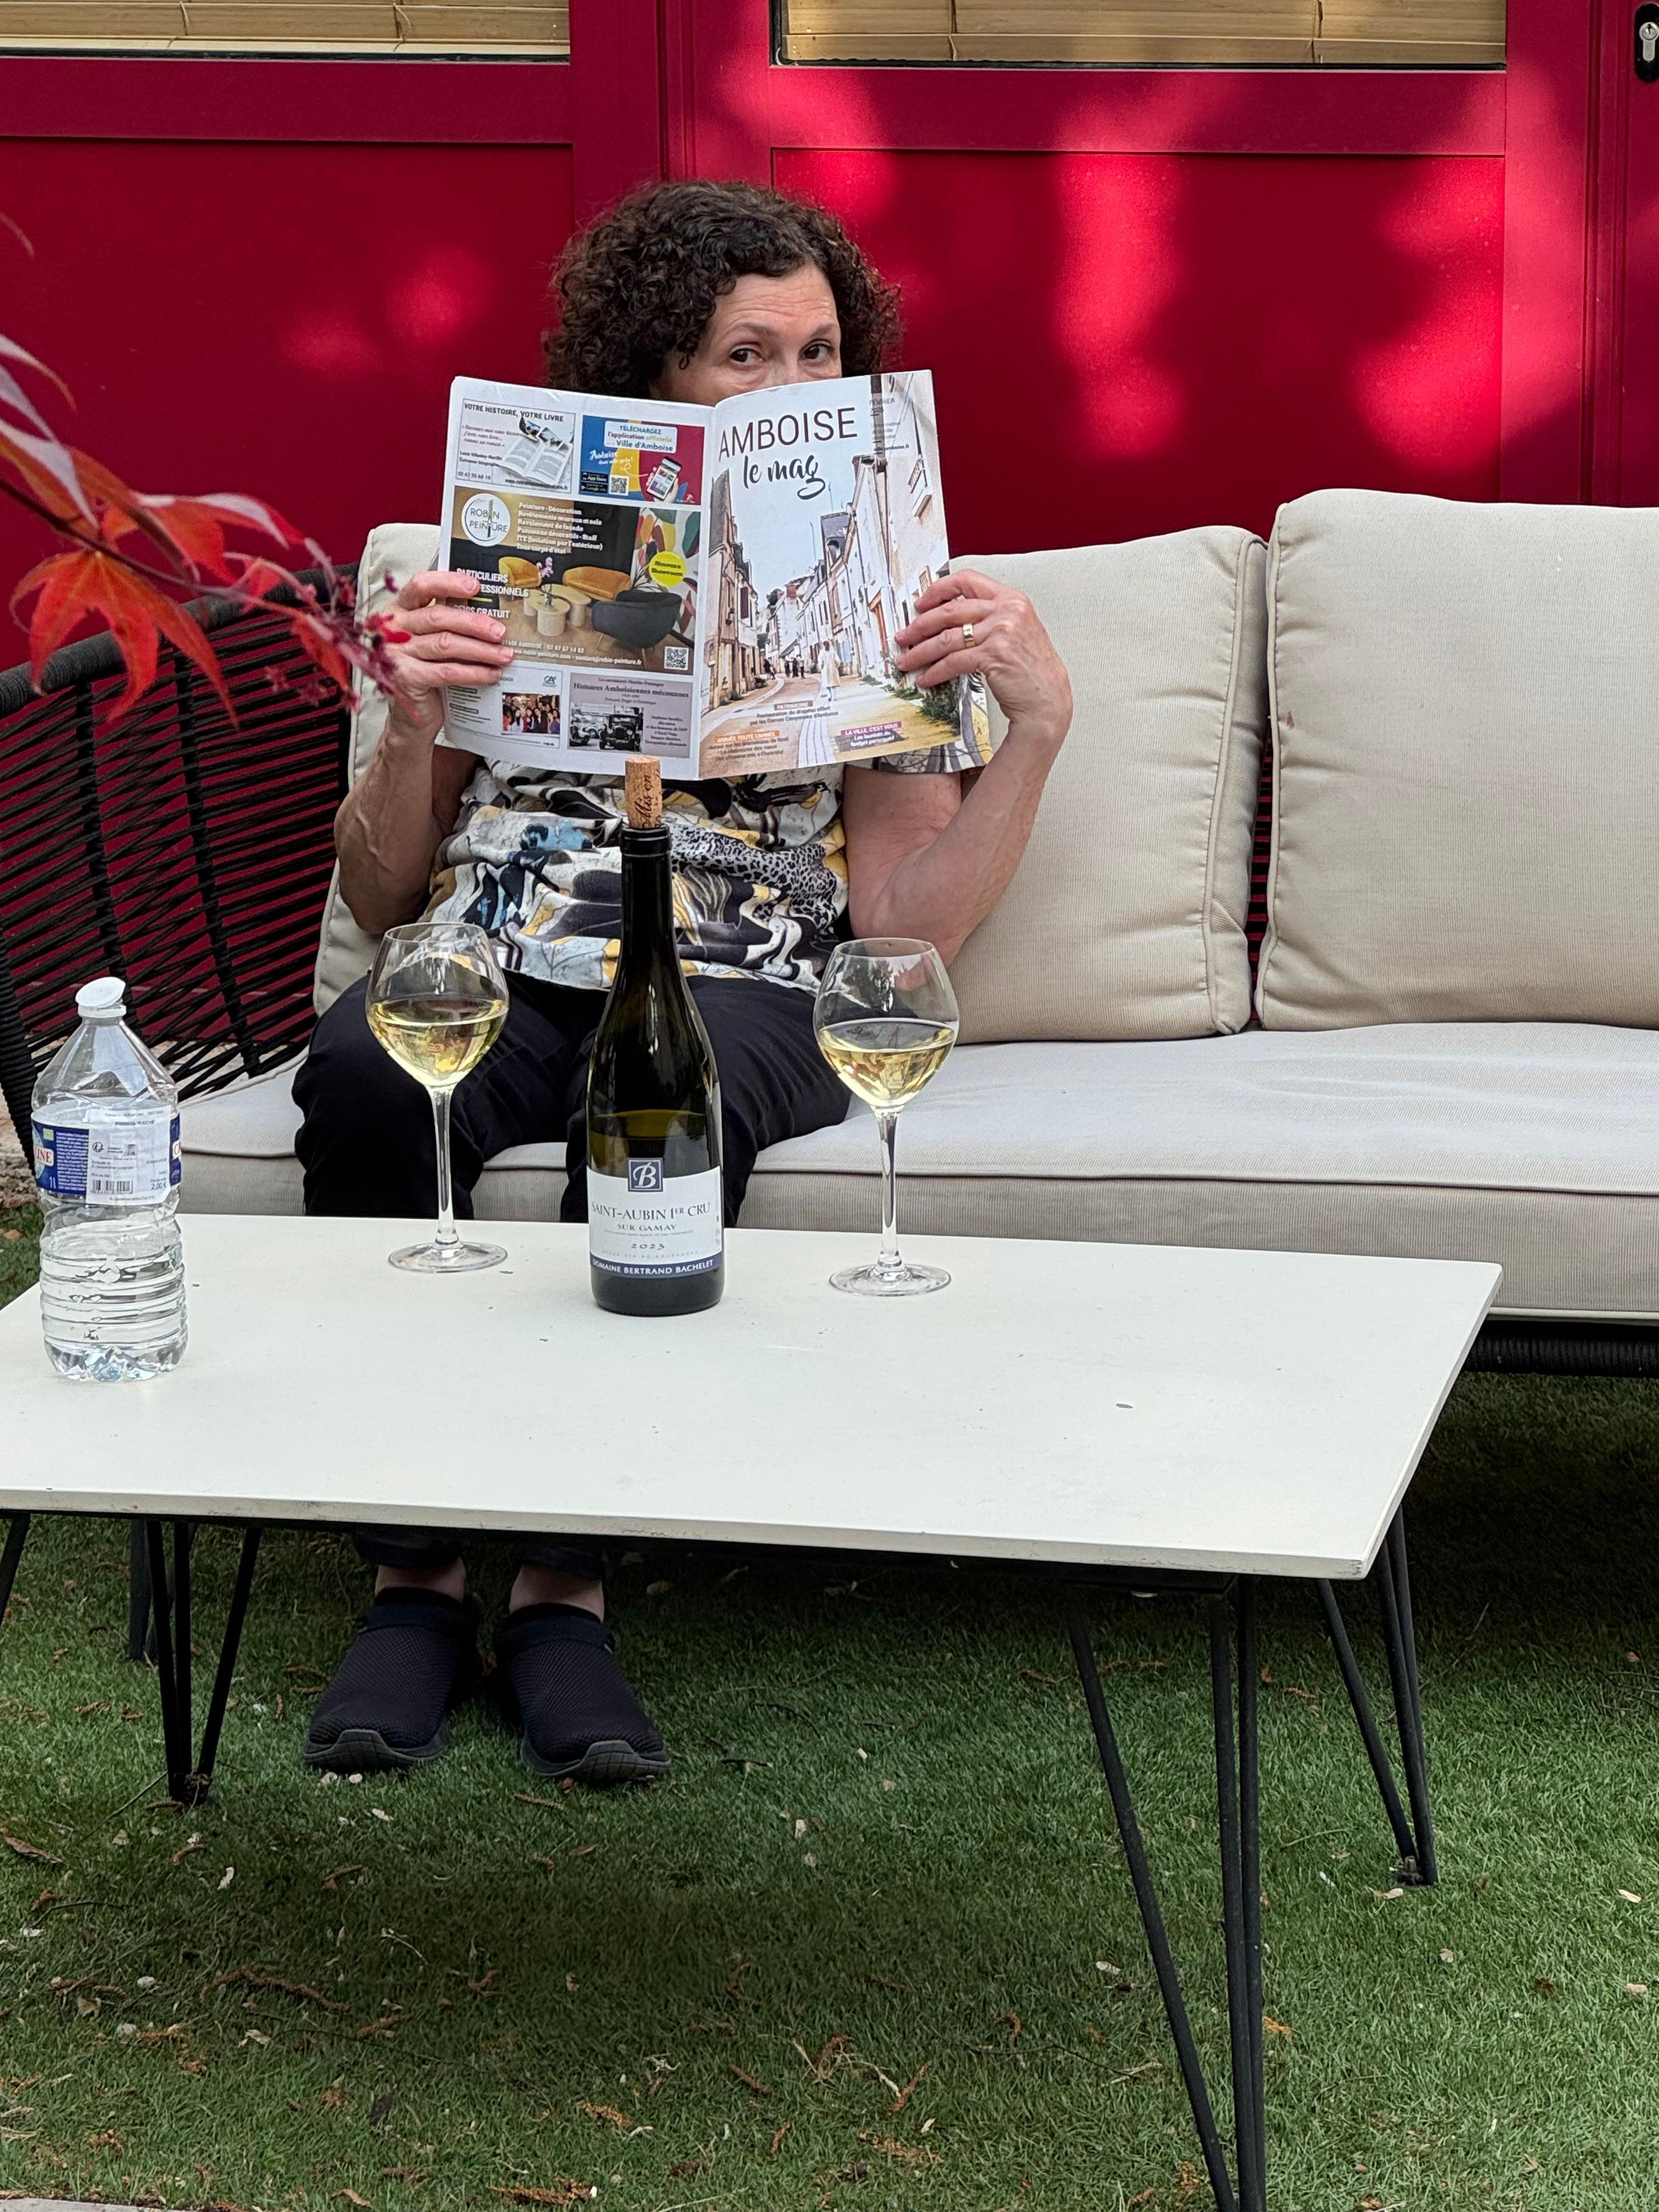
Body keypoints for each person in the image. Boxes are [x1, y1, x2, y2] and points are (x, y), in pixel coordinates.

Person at [294, 178, 1074, 1787]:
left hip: (749, 974)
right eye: (745, 354)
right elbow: (381, 896)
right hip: (504, 941)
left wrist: (1040, 730)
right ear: (655, 383)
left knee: (663, 1088)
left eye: (821, 352)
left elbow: (905, 927)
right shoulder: (494, 569)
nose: (794, 389)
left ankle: (567, 1590)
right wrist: (422, 718)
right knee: (365, 1073)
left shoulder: (889, 590)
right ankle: (416, 1577)